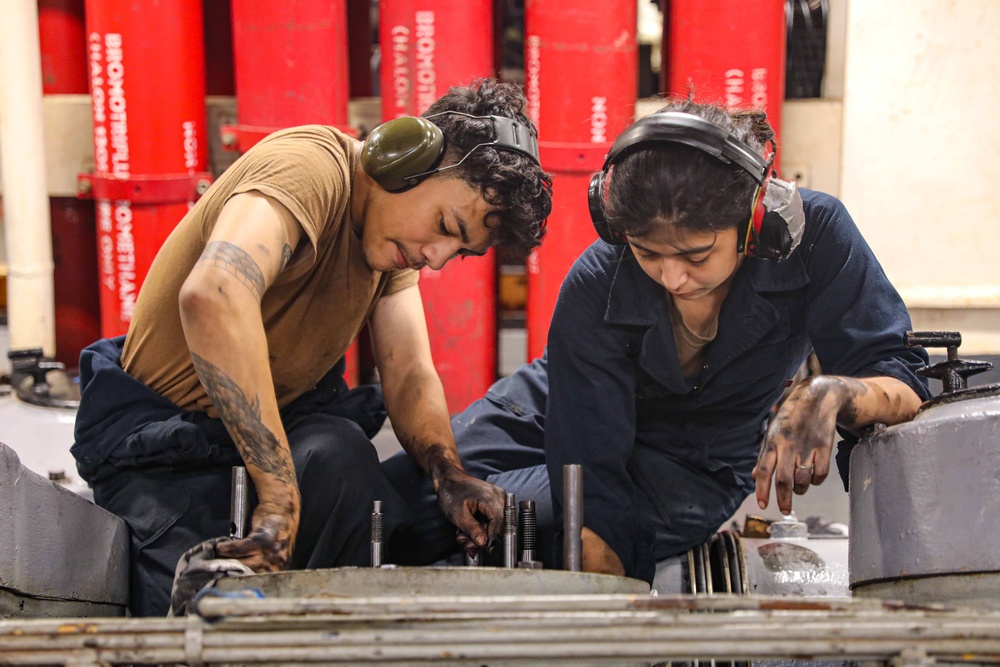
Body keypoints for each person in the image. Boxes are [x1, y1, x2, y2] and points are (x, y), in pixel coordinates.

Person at [383, 97, 931, 583]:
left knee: (521, 523)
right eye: (647, 254)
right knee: (389, 504)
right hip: (564, 407)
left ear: (756, 223)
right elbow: (588, 466)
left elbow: (902, 377)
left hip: (691, 460)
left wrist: (829, 393)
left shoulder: (817, 238)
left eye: (696, 255)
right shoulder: (597, 280)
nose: (671, 278)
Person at [71, 78, 553, 616]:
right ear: (404, 157)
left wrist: (449, 475)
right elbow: (214, 293)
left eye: (459, 251)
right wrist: (279, 502)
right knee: (201, 624)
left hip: (275, 430)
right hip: (162, 446)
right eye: (445, 226)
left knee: (341, 456)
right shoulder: (310, 167)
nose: (436, 257)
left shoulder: (389, 248)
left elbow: (409, 371)